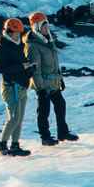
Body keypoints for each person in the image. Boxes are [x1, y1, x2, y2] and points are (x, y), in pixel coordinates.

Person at [25, 11, 78, 146]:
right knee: (44, 111)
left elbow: (55, 63)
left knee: (61, 106)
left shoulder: (48, 41)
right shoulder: (33, 46)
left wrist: (60, 79)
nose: (46, 28)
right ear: (36, 27)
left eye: (46, 25)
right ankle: (45, 137)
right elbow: (35, 69)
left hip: (53, 82)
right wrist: (40, 88)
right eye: (43, 26)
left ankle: (63, 133)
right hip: (43, 84)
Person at [0, 18, 34, 156]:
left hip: (21, 86)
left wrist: (30, 70)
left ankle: (15, 145)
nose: (18, 36)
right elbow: (2, 69)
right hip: (11, 87)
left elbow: (23, 65)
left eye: (19, 33)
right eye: (15, 33)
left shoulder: (20, 46)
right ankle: (2, 146)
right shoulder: (1, 49)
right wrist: (23, 66)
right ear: (8, 32)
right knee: (13, 118)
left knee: (19, 118)